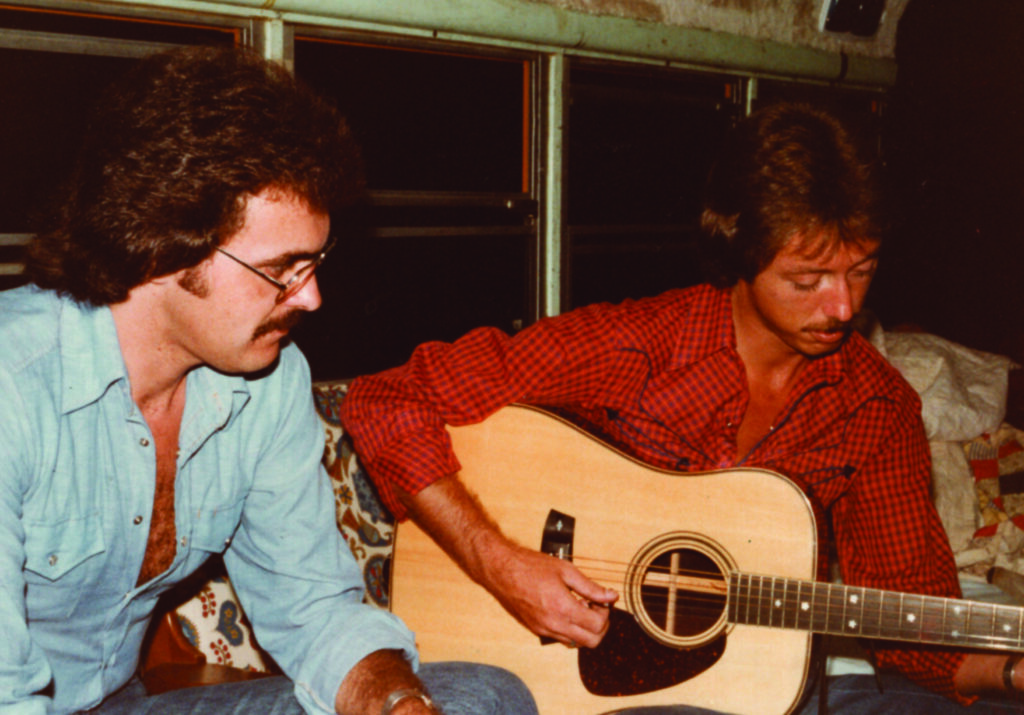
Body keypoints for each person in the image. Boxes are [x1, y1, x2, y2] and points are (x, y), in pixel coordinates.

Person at [340, 102, 1024, 713]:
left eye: (862, 269)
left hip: (758, 684)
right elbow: (387, 398)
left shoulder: (877, 406)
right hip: (598, 682)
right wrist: (504, 564)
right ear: (739, 251)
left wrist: (1014, 672)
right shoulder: (638, 345)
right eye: (806, 279)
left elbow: (922, 639)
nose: (842, 307)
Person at [0, 45, 537, 715]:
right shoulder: (13, 387)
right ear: (162, 241)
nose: (310, 298)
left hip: (122, 704)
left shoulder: (267, 379)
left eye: (315, 262)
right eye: (283, 267)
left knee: (484, 694)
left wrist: (399, 704)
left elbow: (313, 607)